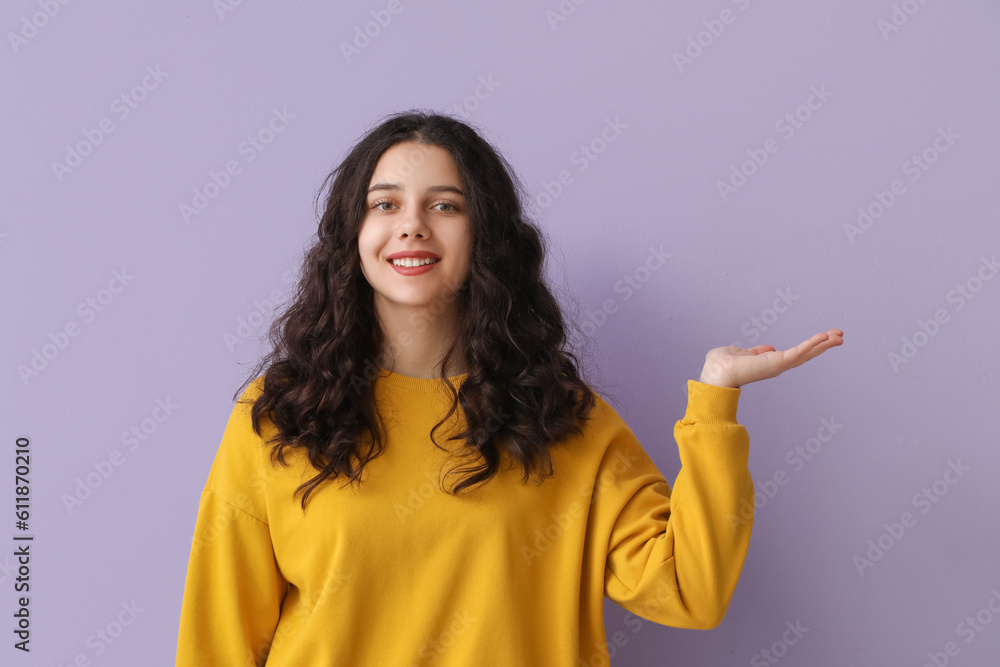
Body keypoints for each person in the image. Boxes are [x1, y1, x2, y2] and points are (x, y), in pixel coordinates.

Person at [174, 110, 843, 666]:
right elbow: (216, 641)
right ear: (354, 233)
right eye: (386, 204)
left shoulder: (563, 421)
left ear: (484, 235)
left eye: (445, 205)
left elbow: (691, 589)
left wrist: (716, 401)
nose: (412, 224)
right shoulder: (278, 417)